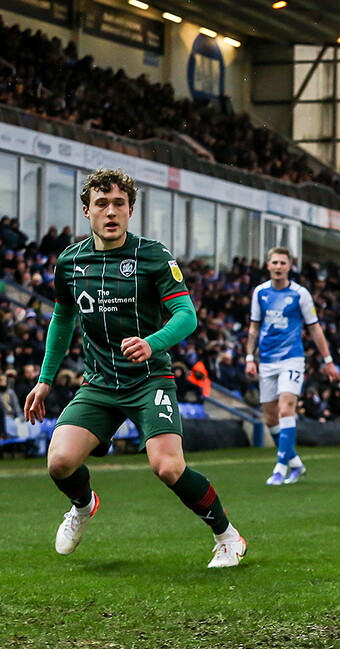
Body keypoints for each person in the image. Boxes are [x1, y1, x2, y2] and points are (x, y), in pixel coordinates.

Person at [23, 168, 246, 568]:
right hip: (99, 383)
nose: (111, 212)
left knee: (167, 467)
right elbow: (62, 319)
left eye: (119, 204)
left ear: (130, 210)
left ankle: (227, 536)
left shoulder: (153, 255)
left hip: (148, 380)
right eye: (102, 204)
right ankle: (83, 505)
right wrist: (44, 380)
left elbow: (186, 316)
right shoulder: (70, 263)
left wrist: (152, 342)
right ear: (86, 211)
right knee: (59, 461)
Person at [245, 246, 338, 486]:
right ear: (268, 265)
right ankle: (296, 464)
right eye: (274, 262)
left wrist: (328, 361)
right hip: (266, 360)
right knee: (270, 418)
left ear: (289, 266)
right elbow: (254, 327)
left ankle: (280, 468)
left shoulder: (300, 294)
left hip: (291, 359)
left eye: (282, 263)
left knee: (286, 409)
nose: (278, 267)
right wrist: (249, 357)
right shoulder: (260, 293)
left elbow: (314, 328)